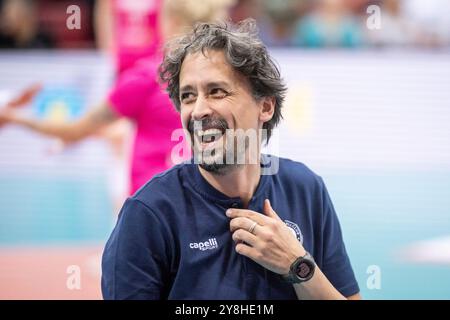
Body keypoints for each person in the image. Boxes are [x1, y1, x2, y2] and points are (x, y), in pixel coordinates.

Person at [101, 19, 361, 300]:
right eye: (188, 96)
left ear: (265, 105)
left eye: (217, 91)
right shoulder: (149, 214)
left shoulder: (305, 190)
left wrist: (298, 266)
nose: (198, 110)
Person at [0, 0, 234, 195]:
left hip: (154, 201)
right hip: (207, 197)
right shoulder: (228, 77)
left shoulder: (147, 77)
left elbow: (74, 129)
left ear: (169, 20)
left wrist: (16, 118)